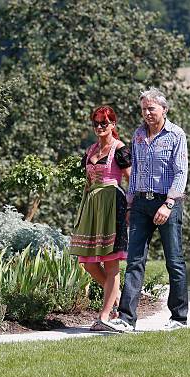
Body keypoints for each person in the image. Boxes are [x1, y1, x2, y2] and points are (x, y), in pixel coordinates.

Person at [110, 87, 189, 332]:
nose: (146, 113)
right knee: (135, 261)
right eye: (143, 109)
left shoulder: (176, 135)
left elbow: (181, 172)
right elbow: (134, 174)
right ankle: (126, 318)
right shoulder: (138, 135)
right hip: (141, 204)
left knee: (174, 261)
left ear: (164, 110)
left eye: (151, 108)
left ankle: (179, 318)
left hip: (167, 202)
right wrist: (130, 204)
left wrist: (169, 204)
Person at [70, 105, 132, 331]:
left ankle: (104, 317)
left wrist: (129, 209)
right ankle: (116, 299)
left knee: (110, 261)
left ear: (113, 125)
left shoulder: (121, 149)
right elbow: (87, 182)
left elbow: (130, 180)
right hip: (92, 205)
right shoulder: (90, 151)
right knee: (86, 262)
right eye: (95, 123)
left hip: (112, 203)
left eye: (103, 123)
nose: (99, 127)